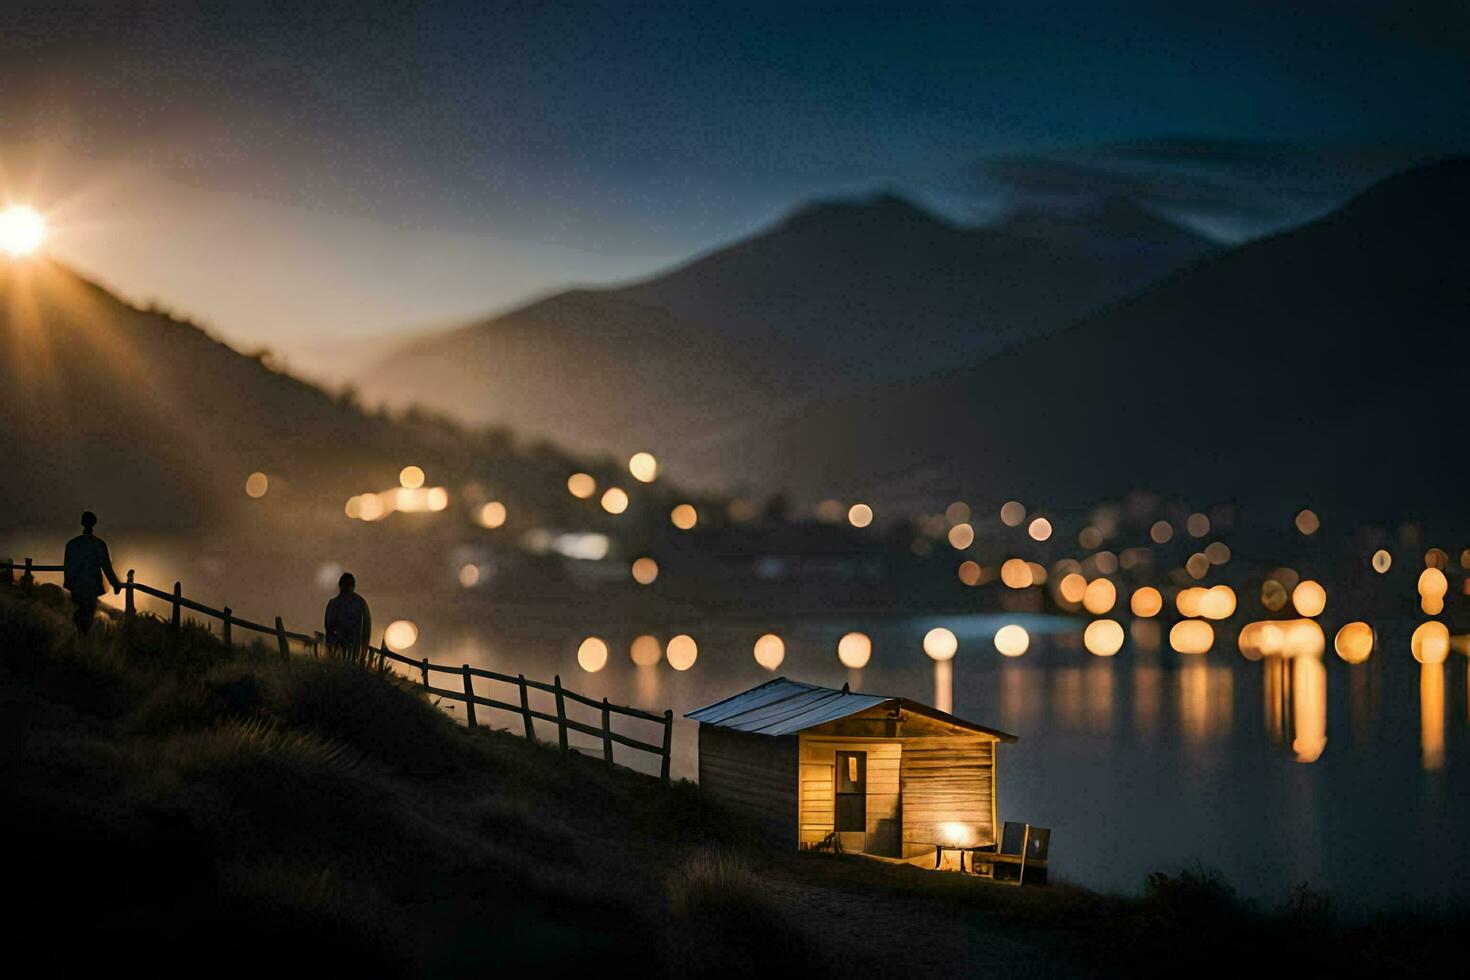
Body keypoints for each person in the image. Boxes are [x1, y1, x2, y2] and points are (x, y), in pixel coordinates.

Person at [63, 511, 122, 636]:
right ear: (94, 524)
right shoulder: (99, 544)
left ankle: (78, 640)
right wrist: (116, 584)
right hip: (91, 587)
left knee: (80, 613)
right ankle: (83, 642)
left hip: (76, 587)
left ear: (81, 523)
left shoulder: (71, 544)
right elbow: (107, 568)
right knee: (87, 616)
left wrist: (69, 583)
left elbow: (67, 567)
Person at [324, 571, 372, 656]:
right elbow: (366, 630)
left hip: (336, 651)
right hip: (354, 651)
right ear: (353, 586)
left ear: (340, 585)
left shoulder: (333, 603)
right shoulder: (361, 603)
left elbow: (328, 627)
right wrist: (363, 653)